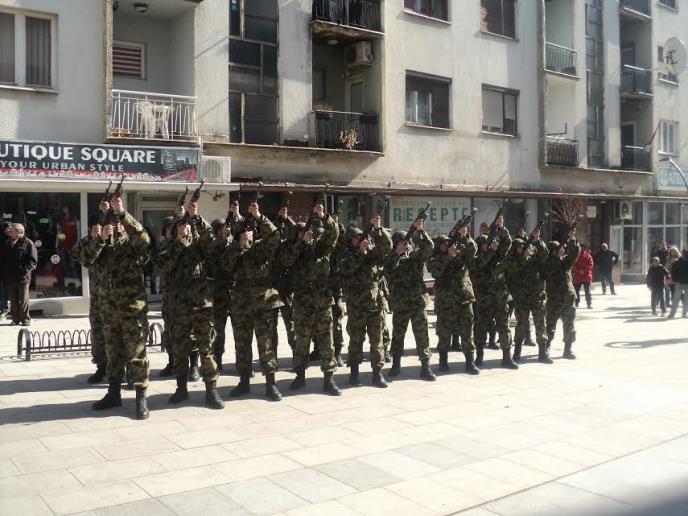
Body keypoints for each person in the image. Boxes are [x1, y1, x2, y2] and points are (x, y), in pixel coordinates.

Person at [156, 201, 224, 409]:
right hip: (179, 306)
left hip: (201, 304)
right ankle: (181, 388)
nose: (183, 228)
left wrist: (197, 218)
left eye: (185, 225)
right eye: (179, 225)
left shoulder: (199, 244)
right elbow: (164, 264)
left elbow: (211, 241)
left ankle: (211, 389)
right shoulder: (168, 246)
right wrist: (179, 242)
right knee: (180, 348)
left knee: (207, 347)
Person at [88, 196, 150, 419]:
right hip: (109, 308)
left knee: (136, 353)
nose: (115, 226)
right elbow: (85, 258)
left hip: (131, 307)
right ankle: (113, 393)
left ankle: (141, 397)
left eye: (118, 222)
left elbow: (144, 239)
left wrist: (123, 213)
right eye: (112, 222)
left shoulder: (132, 243)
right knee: (113, 352)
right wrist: (99, 239)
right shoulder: (102, 244)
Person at [222, 201, 283, 401]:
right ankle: (244, 381)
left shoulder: (262, 247)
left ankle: (270, 383)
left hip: (263, 301)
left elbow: (275, 236)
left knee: (266, 343)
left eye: (249, 231)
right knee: (242, 343)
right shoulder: (233, 249)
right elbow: (226, 266)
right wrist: (238, 247)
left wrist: (259, 217)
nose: (246, 234)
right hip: (241, 302)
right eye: (243, 232)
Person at [281, 201, 341, 395]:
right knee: (302, 341)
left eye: (308, 233)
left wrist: (324, 217)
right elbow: (286, 260)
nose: (307, 235)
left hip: (322, 302)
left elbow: (334, 234)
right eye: (302, 233)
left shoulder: (322, 249)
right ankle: (300, 376)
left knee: (326, 341)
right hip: (303, 303)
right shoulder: (294, 250)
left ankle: (329, 379)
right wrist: (301, 243)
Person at [338, 217, 392, 387]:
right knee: (356, 340)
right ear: (350, 241)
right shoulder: (346, 255)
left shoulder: (372, 253)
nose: (360, 240)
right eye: (356, 238)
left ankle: (377, 373)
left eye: (361, 237)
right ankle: (354, 373)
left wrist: (378, 229)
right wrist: (360, 252)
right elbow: (346, 269)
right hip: (356, 305)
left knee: (377, 341)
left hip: (374, 305)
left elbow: (387, 247)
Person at [384, 220, 436, 380]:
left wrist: (420, 232)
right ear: (395, 245)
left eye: (407, 243)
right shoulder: (392, 258)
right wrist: (396, 253)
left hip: (418, 302)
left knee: (422, 335)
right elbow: (387, 273)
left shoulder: (415, 257)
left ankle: (425, 367)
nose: (406, 246)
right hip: (401, 304)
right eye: (402, 243)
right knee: (398, 335)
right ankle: (396, 364)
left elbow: (429, 248)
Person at [427, 230, 480, 375]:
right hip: (446, 302)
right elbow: (436, 272)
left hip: (464, 299)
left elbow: (473, 250)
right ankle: (443, 362)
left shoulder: (460, 254)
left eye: (448, 243)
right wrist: (448, 255)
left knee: (467, 332)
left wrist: (465, 236)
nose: (447, 246)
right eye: (443, 244)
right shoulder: (434, 259)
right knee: (444, 334)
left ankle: (470, 362)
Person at [471, 218, 516, 369]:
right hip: (484, 300)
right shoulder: (476, 260)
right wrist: (490, 251)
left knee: (504, 326)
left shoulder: (497, 256)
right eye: (485, 244)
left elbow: (507, 244)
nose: (488, 246)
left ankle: (507, 356)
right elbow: (480, 264)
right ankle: (479, 355)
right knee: (481, 327)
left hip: (500, 298)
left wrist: (502, 229)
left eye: (488, 243)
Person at [503, 231, 551, 364]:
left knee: (540, 323)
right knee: (521, 325)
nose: (524, 249)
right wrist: (523, 257)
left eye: (524, 246)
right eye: (520, 247)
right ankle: (517, 351)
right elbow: (512, 270)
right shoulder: (511, 260)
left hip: (536, 296)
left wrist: (538, 240)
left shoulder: (532, 257)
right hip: (521, 298)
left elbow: (544, 255)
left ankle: (543, 352)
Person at [71, 216, 108, 383]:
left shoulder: (116, 242)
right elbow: (75, 254)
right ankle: (101, 367)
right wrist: (92, 238)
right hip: (97, 298)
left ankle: (123, 370)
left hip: (116, 298)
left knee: (118, 335)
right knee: (98, 333)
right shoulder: (89, 243)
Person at [541, 231, 581, 359]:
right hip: (554, 300)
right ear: (553, 251)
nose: (563, 250)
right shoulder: (548, 263)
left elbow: (574, 254)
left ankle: (567, 350)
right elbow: (550, 268)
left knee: (569, 325)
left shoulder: (563, 261)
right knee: (550, 325)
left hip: (568, 299)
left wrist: (572, 238)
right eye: (560, 249)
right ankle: (546, 347)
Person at [0, 223, 38, 326]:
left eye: (11, 230)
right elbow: (3, 259)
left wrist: (24, 270)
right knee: (13, 300)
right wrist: (5, 272)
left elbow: (33, 262)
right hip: (10, 277)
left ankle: (25, 319)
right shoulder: (8, 243)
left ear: (18, 232)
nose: (9, 232)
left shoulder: (28, 243)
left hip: (23, 277)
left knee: (23, 299)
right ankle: (15, 319)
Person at [667, 248, 688, 319]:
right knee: (676, 299)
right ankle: (672, 314)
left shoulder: (677, 262)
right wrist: (674, 280)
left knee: (686, 300)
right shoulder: (677, 262)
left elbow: (673, 272)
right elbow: (673, 272)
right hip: (679, 283)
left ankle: (684, 314)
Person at [573, 243, 594, 309]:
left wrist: (583, 270)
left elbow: (591, 265)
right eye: (580, 247)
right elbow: (573, 265)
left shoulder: (588, 256)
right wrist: (578, 270)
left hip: (586, 276)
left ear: (584, 248)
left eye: (582, 247)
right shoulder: (575, 256)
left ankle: (589, 303)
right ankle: (576, 303)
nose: (581, 249)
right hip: (578, 276)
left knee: (587, 291)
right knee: (576, 291)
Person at [0, 221, 12, 319]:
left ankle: (5, 308)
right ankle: (3, 308)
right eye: (8, 228)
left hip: (9, 270)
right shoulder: (2, 240)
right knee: (2, 289)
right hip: (2, 269)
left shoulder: (13, 240)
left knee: (6, 290)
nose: (10, 230)